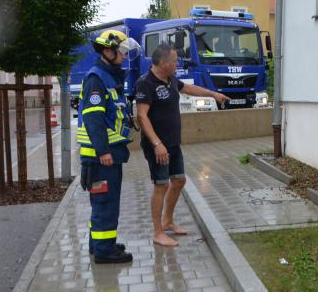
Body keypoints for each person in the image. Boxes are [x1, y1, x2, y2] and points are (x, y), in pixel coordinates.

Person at [134, 43, 231, 247]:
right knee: (161, 185)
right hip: (157, 145)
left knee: (178, 181)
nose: (177, 64)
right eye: (175, 61)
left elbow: (188, 88)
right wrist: (157, 143)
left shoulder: (170, 80)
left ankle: (168, 221)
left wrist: (213, 94)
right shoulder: (146, 83)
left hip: (173, 142)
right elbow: (141, 116)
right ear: (164, 63)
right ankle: (157, 232)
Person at [77, 29, 141, 263]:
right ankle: (105, 252)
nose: (124, 57)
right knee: (106, 202)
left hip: (104, 154)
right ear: (107, 51)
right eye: (121, 52)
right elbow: (93, 119)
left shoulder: (107, 77)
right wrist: (103, 150)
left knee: (101, 201)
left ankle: (100, 244)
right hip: (102, 156)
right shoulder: (97, 79)